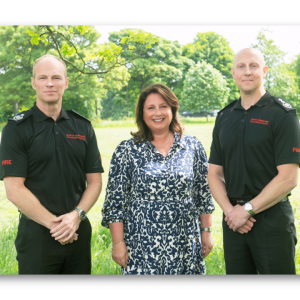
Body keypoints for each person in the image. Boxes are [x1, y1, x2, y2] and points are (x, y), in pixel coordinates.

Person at [0, 54, 104, 274]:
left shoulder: (83, 126)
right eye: (43, 77)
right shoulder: (16, 129)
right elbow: (14, 189)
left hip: (78, 230)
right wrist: (57, 226)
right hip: (37, 235)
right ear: (33, 83)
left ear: (66, 82)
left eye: (56, 77)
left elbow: (95, 181)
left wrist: (76, 216)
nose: (49, 83)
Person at [101, 83, 215, 275]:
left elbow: (203, 195)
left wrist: (207, 231)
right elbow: (115, 203)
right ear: (142, 113)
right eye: (150, 108)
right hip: (140, 244)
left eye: (163, 106)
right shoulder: (126, 150)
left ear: (172, 109)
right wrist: (118, 243)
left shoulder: (193, 146)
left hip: (185, 240)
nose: (157, 113)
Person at [208, 48, 300, 274]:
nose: (247, 72)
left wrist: (246, 211)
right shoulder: (224, 116)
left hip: (272, 219)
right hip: (233, 222)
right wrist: (232, 212)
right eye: (241, 66)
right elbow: (214, 173)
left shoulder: (282, 114)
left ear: (264, 71)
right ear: (233, 73)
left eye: (253, 66)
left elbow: (288, 178)